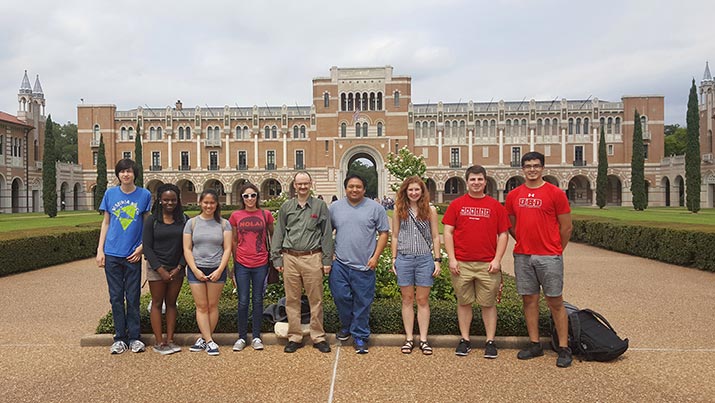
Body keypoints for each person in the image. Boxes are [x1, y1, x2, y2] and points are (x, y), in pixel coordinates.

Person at [505, 151, 574, 368]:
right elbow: (511, 225)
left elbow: (566, 226)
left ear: (543, 168)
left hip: (549, 256)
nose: (532, 169)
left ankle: (564, 347)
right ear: (522, 168)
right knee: (529, 300)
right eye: (528, 166)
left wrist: (556, 250)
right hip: (524, 255)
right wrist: (524, 241)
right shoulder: (514, 195)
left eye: (536, 165)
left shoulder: (555, 193)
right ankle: (535, 344)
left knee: (555, 301)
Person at [442, 165, 510, 359]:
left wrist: (497, 259)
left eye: (480, 179)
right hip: (462, 263)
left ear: (485, 182)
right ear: (467, 181)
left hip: (487, 264)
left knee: (488, 305)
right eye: (473, 179)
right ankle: (465, 339)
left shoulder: (495, 206)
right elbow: (448, 231)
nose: (476, 183)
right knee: (464, 303)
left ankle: (490, 341)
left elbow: (503, 234)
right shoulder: (457, 205)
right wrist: (452, 259)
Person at [271, 172, 334, 354]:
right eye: (300, 184)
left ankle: (318, 336)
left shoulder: (320, 206)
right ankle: (295, 337)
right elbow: (279, 233)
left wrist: (326, 260)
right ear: (295, 185)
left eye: (306, 183)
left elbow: (326, 234)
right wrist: (277, 258)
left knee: (316, 299)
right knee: (292, 300)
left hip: (312, 257)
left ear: (310, 184)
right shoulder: (286, 207)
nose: (303, 187)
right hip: (289, 257)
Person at [96, 158, 152, 355]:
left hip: (133, 254)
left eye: (129, 171)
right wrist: (100, 250)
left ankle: (135, 337)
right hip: (112, 253)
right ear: (118, 175)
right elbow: (106, 223)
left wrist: (142, 248)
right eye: (122, 171)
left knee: (133, 296)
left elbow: (147, 224)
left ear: (134, 174)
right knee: (116, 297)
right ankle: (120, 338)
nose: (126, 175)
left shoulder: (144, 195)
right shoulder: (110, 193)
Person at [329, 174, 390, 354]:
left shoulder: (376, 208)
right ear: (345, 187)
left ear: (364, 189)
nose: (354, 189)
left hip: (365, 264)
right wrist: (330, 254)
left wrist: (376, 257)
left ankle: (360, 336)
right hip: (340, 263)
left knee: (363, 302)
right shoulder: (334, 208)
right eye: (351, 186)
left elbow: (384, 233)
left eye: (358, 187)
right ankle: (348, 325)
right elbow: (326, 232)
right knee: (341, 297)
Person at [390, 176, 441, 355]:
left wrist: (437, 260)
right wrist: (393, 258)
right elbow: (395, 235)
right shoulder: (398, 210)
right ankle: (409, 338)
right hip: (404, 258)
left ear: (422, 191)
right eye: (410, 190)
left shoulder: (430, 210)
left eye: (416, 190)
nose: (413, 193)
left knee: (422, 300)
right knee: (407, 299)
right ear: (405, 191)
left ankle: (424, 339)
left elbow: (435, 236)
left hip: (424, 259)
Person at [183, 189, 232, 356]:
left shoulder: (224, 224)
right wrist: (195, 269)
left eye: (212, 203)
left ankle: (205, 339)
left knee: (212, 305)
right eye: (206, 202)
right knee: (201, 306)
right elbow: (187, 249)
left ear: (216, 204)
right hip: (196, 268)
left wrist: (220, 269)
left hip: (216, 268)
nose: (208, 205)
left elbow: (227, 249)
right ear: (200, 203)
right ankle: (209, 341)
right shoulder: (192, 223)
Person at [229, 183, 274, 352]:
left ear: (257, 196)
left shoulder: (266, 214)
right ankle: (241, 337)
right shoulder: (235, 216)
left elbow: (272, 234)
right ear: (241, 198)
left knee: (257, 300)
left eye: (253, 195)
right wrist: (234, 262)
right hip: (242, 263)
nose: (250, 199)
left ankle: (256, 336)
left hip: (261, 262)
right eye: (246, 196)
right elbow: (233, 240)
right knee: (242, 301)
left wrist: (273, 255)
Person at [143, 183, 187, 355]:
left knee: (171, 303)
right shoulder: (152, 221)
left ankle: (170, 339)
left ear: (178, 200)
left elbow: (187, 246)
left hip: (176, 268)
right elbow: (147, 247)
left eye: (173, 200)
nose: (170, 203)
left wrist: (179, 267)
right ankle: (159, 341)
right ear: (160, 200)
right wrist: (160, 270)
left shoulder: (184, 219)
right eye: (166, 200)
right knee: (156, 303)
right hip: (156, 268)